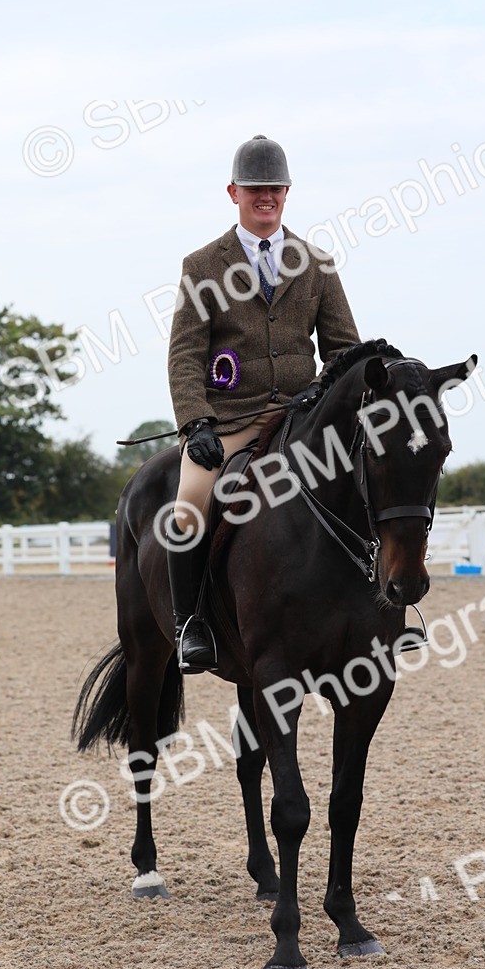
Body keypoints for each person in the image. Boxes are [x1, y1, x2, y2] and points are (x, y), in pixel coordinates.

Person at [167, 134, 360, 672]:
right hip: (231, 419)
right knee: (188, 504)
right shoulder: (203, 265)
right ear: (234, 192)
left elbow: (344, 350)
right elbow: (185, 352)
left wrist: (329, 403)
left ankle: (384, 609)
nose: (266, 197)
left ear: (288, 191)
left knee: (370, 480)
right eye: (255, 189)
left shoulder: (316, 263)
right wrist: (195, 421)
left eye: (274, 187)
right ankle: (192, 627)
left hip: (302, 416)